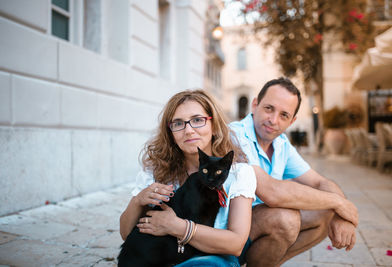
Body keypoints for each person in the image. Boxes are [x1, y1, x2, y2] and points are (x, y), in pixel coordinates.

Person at [229, 77, 358, 266]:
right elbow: (271, 192)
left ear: (292, 121)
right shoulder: (236, 135)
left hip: (255, 224)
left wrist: (340, 214)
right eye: (269, 108)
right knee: (285, 219)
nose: (273, 120)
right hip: (229, 229)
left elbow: (319, 182)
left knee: (324, 213)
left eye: (284, 115)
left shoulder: (281, 144)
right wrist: (339, 203)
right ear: (255, 105)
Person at [119, 89, 257, 266]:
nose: (189, 131)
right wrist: (138, 201)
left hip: (210, 259)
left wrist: (176, 226)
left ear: (213, 125)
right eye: (178, 123)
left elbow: (236, 244)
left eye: (198, 120)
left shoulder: (238, 173)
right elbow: (125, 233)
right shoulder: (156, 170)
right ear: (170, 132)